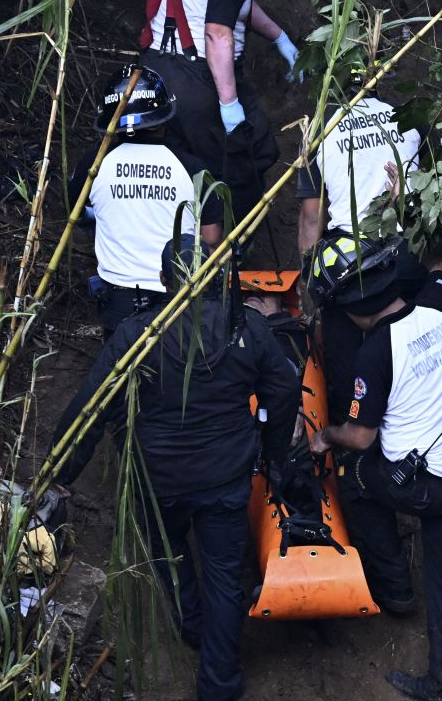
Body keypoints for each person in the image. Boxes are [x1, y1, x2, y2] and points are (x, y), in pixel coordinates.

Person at [50, 234, 299, 701]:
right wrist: (274, 454)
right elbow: (284, 392)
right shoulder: (245, 329)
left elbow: (92, 405)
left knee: (171, 555)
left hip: (156, 478)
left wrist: (62, 472)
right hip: (225, 478)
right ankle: (219, 681)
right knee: (224, 575)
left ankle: (191, 626)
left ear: (165, 281)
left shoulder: (138, 333)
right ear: (219, 277)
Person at [306, 235, 442, 701]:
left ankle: (393, 588)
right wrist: (407, 212)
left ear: (347, 309)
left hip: (424, 486)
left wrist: (325, 435)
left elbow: (361, 436)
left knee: (353, 474)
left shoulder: (375, 352)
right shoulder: (439, 305)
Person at [138, 0, 300, 225]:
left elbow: (232, 3)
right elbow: (216, 32)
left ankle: (179, 245)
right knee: (244, 165)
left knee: (179, 162)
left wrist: (278, 37)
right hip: (198, 78)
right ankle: (227, 255)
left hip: (154, 72)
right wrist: (229, 103)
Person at [83, 65, 223, 333]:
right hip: (179, 294)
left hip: (116, 299)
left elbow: (77, 214)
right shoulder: (191, 167)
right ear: (163, 118)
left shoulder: (94, 165)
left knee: (121, 366)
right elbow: (212, 238)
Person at [296, 71, 422, 256]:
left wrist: (308, 277)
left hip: (348, 252)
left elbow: (312, 219)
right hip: (407, 246)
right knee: (439, 268)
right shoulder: (409, 114)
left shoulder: (318, 129)